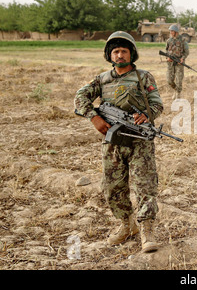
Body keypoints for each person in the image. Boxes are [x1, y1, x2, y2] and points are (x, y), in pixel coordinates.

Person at [74, 31, 164, 253]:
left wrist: (147, 115)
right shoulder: (102, 79)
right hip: (113, 142)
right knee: (113, 188)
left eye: (124, 51)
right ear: (109, 54)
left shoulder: (144, 77)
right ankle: (127, 225)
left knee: (145, 186)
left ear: (132, 53)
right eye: (116, 51)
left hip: (139, 141)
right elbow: (80, 97)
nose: (120, 55)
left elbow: (157, 104)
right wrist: (94, 117)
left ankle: (147, 230)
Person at [165, 24, 190, 100]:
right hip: (170, 63)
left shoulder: (183, 40)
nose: (170, 32)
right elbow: (166, 50)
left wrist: (182, 58)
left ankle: (178, 93)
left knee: (179, 79)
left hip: (179, 62)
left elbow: (186, 52)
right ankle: (175, 89)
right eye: (170, 31)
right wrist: (167, 57)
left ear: (176, 32)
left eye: (172, 31)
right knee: (169, 80)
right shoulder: (169, 40)